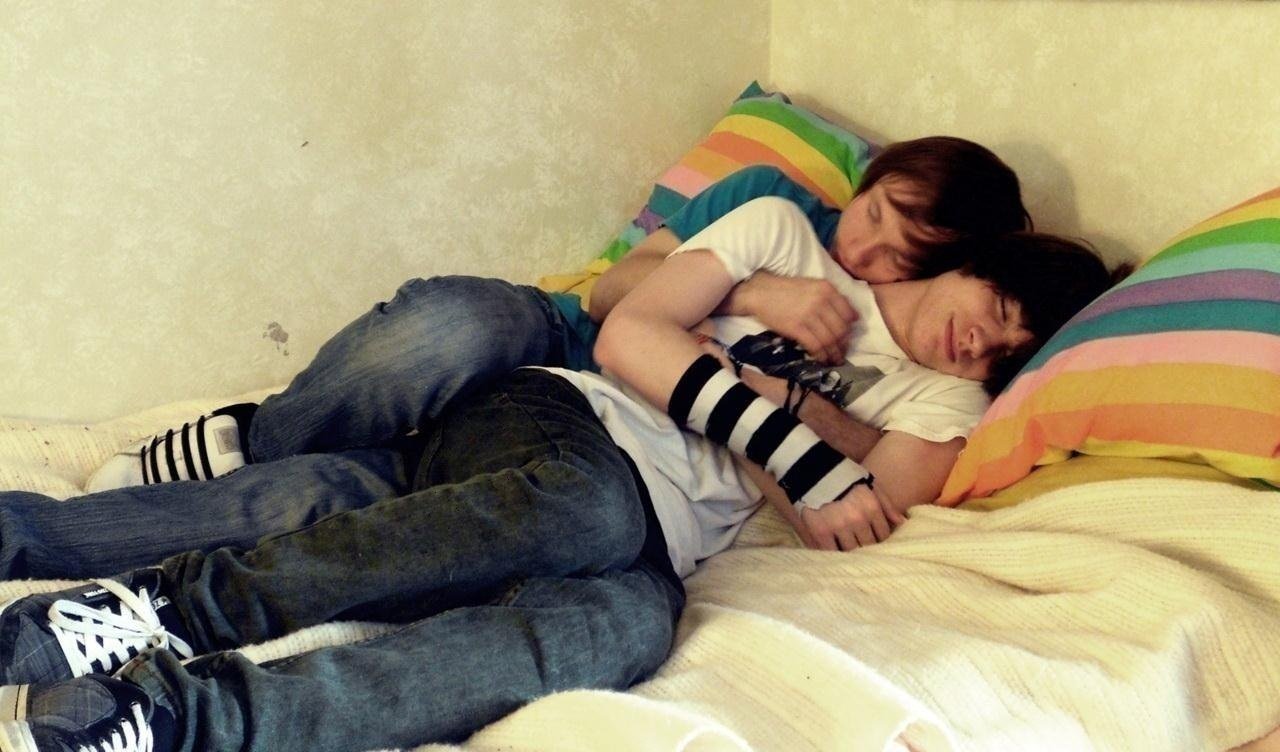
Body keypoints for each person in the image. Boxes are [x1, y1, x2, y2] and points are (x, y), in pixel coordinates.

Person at [0, 199, 1115, 751]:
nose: (981, 342)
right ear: (972, 262)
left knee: (623, 633)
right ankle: (169, 610)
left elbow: (851, 513)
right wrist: (806, 441)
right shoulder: (787, 238)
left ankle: (179, 719)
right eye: (996, 307)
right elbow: (630, 335)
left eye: (1008, 349)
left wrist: (752, 394)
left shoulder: (946, 402)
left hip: (653, 544)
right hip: (556, 421)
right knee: (581, 505)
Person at [82, 137, 1032, 493]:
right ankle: (256, 439)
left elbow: (896, 463)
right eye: (876, 214)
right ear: (870, 178)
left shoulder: (906, 344)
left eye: (905, 253)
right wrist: (753, 293)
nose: (868, 250)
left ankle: (324, 470)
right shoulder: (770, 204)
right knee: (458, 326)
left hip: (620, 421)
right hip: (568, 335)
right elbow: (614, 295)